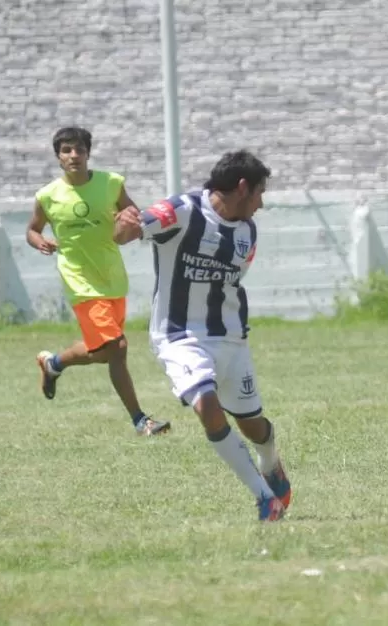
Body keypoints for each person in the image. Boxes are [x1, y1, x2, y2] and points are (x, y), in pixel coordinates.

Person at [113, 149, 291, 521]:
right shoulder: (181, 210)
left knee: (253, 426)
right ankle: (264, 498)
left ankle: (271, 463)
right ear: (242, 188)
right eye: (260, 193)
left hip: (230, 339)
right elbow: (127, 231)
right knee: (206, 406)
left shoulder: (246, 231)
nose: (261, 203)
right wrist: (125, 223)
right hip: (179, 336)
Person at [27, 126, 169, 437]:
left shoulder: (111, 184)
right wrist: (38, 240)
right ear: (58, 157)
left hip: (112, 278)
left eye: (79, 149)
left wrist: (130, 224)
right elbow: (32, 229)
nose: (73, 155)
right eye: (66, 150)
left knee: (104, 352)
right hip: (79, 282)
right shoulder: (48, 195)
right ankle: (140, 420)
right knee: (117, 348)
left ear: (88, 153)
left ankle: (53, 363)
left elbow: (134, 216)